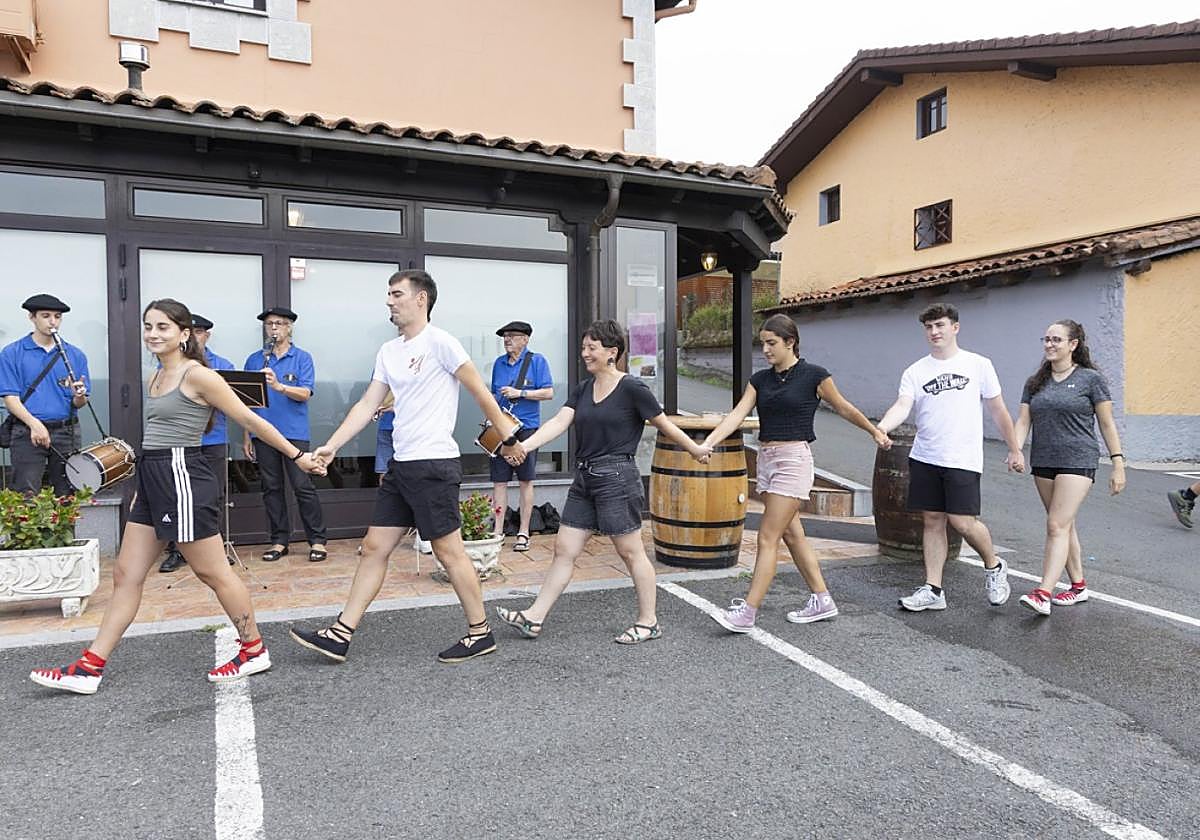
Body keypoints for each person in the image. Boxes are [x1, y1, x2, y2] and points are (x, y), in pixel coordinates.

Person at [29, 299, 325, 695]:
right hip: (154, 478)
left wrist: (298, 456)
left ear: (184, 334)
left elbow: (250, 418)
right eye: (149, 326)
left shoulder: (198, 375)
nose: (153, 333)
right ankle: (89, 667)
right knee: (126, 574)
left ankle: (252, 647)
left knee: (212, 571)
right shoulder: (156, 375)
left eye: (163, 327)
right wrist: (144, 492)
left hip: (184, 474)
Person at [289, 269, 522, 664]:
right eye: (388, 295)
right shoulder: (389, 351)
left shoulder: (441, 343)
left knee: (449, 554)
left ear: (421, 299)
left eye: (397, 294)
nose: (389, 302)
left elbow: (481, 394)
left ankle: (480, 632)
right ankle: (341, 634)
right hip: (402, 465)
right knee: (374, 548)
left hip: (433, 465)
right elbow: (368, 404)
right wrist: (331, 446)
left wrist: (510, 441)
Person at [494, 318, 710, 645]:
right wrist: (524, 446)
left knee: (631, 552)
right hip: (585, 477)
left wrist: (695, 449)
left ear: (612, 352)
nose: (584, 353)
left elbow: (664, 423)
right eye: (583, 347)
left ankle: (649, 621)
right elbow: (558, 422)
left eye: (591, 348)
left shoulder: (632, 388)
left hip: (617, 478)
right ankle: (534, 617)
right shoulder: (583, 389)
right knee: (564, 549)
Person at [706, 314, 892, 632]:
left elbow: (844, 407)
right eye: (762, 343)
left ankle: (748, 613)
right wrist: (707, 443)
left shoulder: (813, 375)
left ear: (790, 342)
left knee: (767, 537)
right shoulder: (760, 380)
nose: (765, 349)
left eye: (771, 343)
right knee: (792, 535)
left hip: (794, 461)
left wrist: (874, 432)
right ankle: (822, 600)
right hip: (767, 460)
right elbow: (737, 414)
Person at [876, 303, 1023, 612]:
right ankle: (933, 589)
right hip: (926, 456)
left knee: (963, 522)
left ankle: (994, 566)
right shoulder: (916, 371)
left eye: (940, 325)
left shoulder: (978, 365)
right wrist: (883, 427)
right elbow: (903, 405)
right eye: (929, 327)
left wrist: (1014, 449)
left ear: (955, 327)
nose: (934, 332)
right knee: (932, 521)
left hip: (963, 457)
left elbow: (998, 410)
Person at [1012, 320, 1125, 614]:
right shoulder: (1035, 382)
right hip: (1044, 460)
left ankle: (1042, 593)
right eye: (1046, 339)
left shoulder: (1090, 380)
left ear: (1073, 344)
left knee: (1056, 524)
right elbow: (1024, 421)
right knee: (1064, 524)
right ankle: (1078, 587)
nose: (1049, 344)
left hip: (1078, 459)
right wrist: (1016, 450)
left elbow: (1107, 422)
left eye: (1056, 340)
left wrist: (1118, 463)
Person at [242, 307, 328, 563]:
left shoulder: (302, 357)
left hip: (293, 433)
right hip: (262, 433)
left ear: (290, 327)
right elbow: (246, 402)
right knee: (271, 488)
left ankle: (317, 540)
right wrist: (247, 436)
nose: (274, 328)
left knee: (302, 486)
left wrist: (279, 386)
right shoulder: (255, 360)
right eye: (269, 324)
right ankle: (279, 540)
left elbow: (305, 393)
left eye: (279, 323)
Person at [160, 313, 234, 573]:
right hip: (180, 441)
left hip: (214, 439)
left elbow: (236, 406)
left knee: (213, 496)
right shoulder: (170, 366)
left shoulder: (223, 366)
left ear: (207, 335)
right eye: (191, 332)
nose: (195, 337)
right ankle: (176, 550)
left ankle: (215, 549)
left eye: (200, 332)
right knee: (175, 495)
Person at [0, 294, 90, 496]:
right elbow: (10, 398)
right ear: (32, 318)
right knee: (26, 495)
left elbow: (80, 402)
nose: (53, 322)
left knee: (67, 495)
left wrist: (79, 395)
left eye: (57, 316)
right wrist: (34, 424)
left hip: (66, 432)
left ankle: (66, 529)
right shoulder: (13, 352)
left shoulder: (75, 355)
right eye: (46, 316)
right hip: (26, 432)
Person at [489, 319, 554, 550]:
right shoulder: (498, 363)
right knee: (499, 482)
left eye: (513, 336)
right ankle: (497, 532)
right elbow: (493, 396)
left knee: (526, 481)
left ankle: (523, 532)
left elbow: (549, 393)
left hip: (526, 429)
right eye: (505, 336)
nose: (507, 339)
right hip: (501, 428)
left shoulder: (537, 361)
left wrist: (521, 393)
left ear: (525, 339)